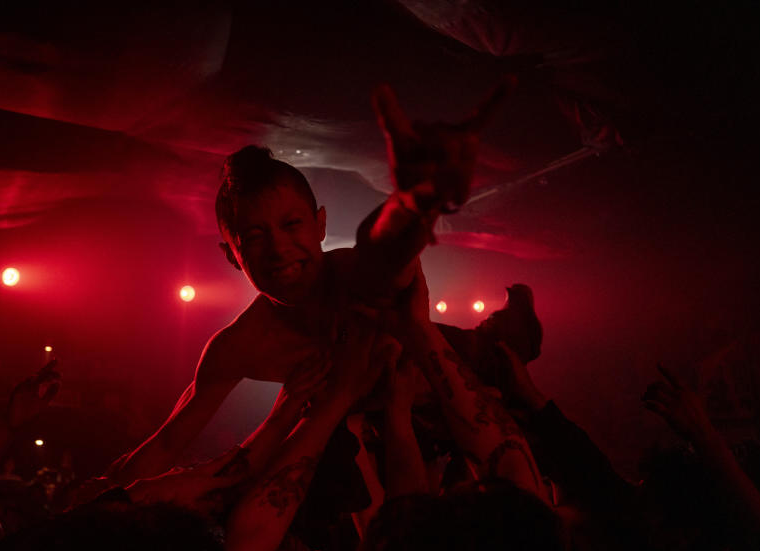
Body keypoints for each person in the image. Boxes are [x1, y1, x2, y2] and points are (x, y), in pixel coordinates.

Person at [110, 82, 516, 484]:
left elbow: (383, 253)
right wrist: (98, 500)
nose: (278, 249)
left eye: (292, 225)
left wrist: (411, 204)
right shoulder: (239, 347)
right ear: (232, 255)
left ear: (320, 224)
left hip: (478, 391)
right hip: (389, 446)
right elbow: (166, 446)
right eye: (254, 237)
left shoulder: (352, 276)